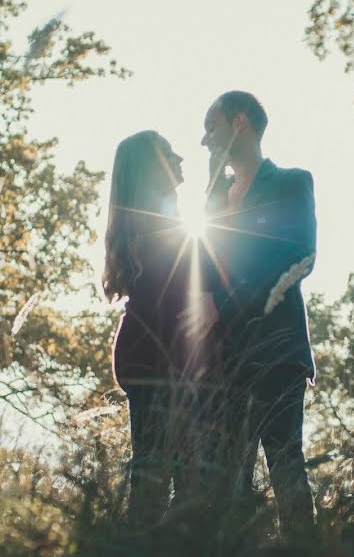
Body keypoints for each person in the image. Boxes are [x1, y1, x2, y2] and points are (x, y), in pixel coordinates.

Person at [200, 91, 317, 537]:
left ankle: (305, 548)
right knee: (229, 479)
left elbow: (300, 256)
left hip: (277, 348)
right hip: (224, 359)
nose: (204, 139)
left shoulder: (291, 183)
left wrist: (223, 301)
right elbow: (205, 263)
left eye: (211, 127)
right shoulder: (216, 197)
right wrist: (212, 193)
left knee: (287, 465)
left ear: (240, 123)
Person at [102, 130, 202, 528]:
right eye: (168, 153)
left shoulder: (149, 226)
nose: (180, 159)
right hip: (159, 359)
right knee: (168, 480)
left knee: (163, 477)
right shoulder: (160, 227)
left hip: (151, 357)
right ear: (150, 169)